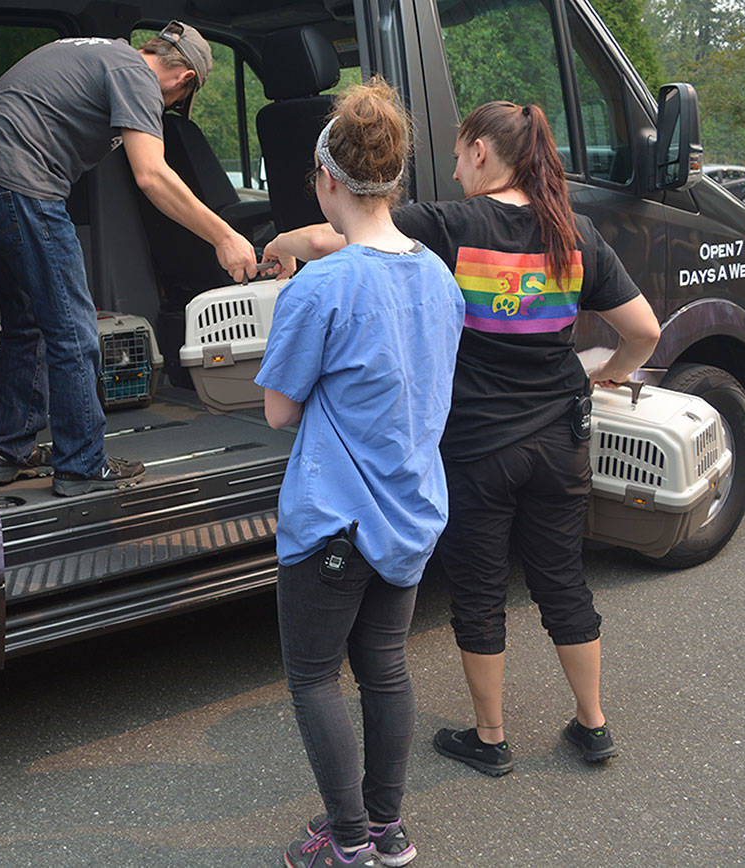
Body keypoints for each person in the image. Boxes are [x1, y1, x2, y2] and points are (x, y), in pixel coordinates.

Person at [263, 100, 662, 777]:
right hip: (560, 437)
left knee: (480, 592)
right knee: (562, 579)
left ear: (481, 151)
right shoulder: (576, 233)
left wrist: (280, 245)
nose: (453, 166)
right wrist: (606, 377)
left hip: (479, 443)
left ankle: (491, 736)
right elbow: (645, 332)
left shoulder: (451, 225)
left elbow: (345, 238)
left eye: (456, 153)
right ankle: (592, 724)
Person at [256, 79, 464, 868]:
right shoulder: (438, 278)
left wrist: (291, 307)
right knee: (384, 666)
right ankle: (387, 831)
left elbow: (280, 411)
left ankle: (344, 842)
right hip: (411, 510)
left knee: (314, 677)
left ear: (327, 180)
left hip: (335, 519)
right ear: (395, 178)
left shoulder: (323, 288)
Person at [0, 22, 258, 497]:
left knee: (29, 321)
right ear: (184, 81)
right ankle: (81, 465)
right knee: (73, 327)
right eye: (179, 103)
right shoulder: (137, 77)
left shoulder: (103, 54)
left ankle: (6, 448)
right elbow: (152, 176)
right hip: (23, 185)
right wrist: (225, 236)